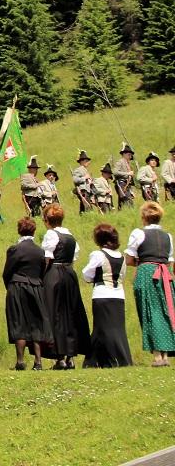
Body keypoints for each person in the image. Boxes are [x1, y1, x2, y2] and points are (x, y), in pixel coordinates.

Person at [124, 201, 175, 366]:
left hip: (147, 273)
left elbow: (129, 260)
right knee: (165, 312)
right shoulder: (168, 236)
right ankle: (165, 355)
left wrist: (142, 262)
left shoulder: (138, 233)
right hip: (165, 274)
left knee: (150, 312)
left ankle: (157, 356)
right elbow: (169, 261)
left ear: (144, 218)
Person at [40, 205, 91, 369]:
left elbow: (47, 258)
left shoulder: (51, 234)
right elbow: (73, 257)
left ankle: (59, 357)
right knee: (71, 313)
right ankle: (70, 356)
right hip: (69, 273)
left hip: (54, 274)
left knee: (54, 313)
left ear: (47, 221)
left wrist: (42, 276)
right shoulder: (70, 235)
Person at [2, 217, 49, 371]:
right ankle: (38, 361)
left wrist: (10, 287)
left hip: (17, 286)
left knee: (18, 322)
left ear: (19, 230)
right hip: (36, 287)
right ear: (34, 231)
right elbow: (43, 272)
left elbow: (7, 272)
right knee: (36, 323)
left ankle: (20, 361)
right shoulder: (40, 251)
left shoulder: (14, 250)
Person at [81, 223, 132, 368]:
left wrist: (92, 279)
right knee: (117, 328)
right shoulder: (121, 256)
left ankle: (101, 360)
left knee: (101, 328)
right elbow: (122, 275)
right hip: (119, 295)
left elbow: (87, 273)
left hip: (102, 294)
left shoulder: (98, 255)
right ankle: (106, 359)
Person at [114, 142, 136, 209]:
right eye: (129, 155)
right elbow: (115, 172)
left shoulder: (128, 164)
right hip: (121, 183)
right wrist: (128, 173)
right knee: (127, 201)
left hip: (127, 185)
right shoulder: (120, 162)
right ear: (124, 154)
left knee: (123, 202)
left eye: (130, 155)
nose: (130, 157)